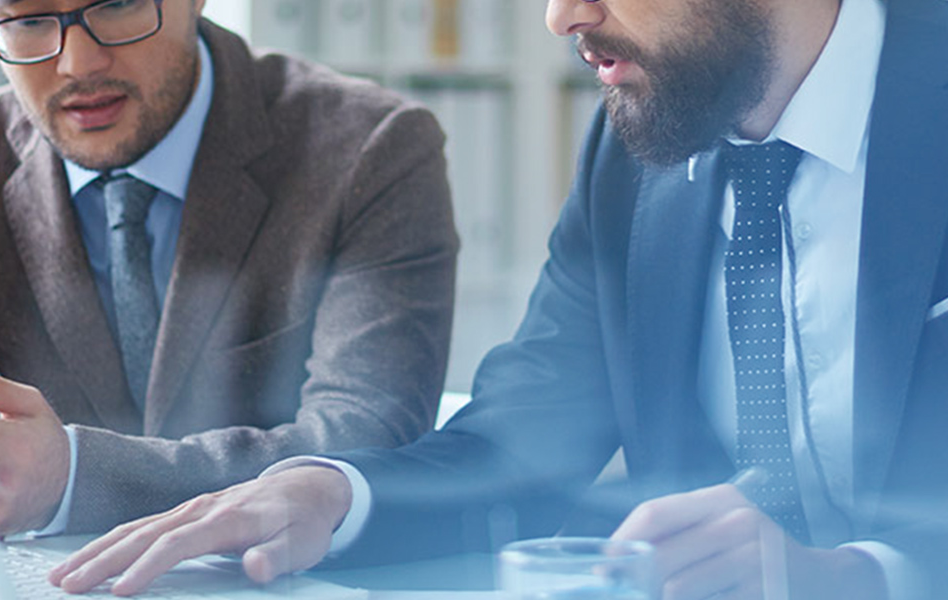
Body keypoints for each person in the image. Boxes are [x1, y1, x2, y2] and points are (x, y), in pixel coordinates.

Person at [49, 0, 948, 597]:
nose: (561, 15)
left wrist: (859, 576)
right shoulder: (634, 153)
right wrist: (330, 492)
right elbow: (522, 440)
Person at [0, 0, 458, 538]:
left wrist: (73, 477)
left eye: (118, 4)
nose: (78, 63)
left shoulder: (373, 148)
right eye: (28, 21)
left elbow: (365, 443)